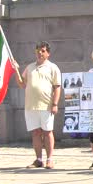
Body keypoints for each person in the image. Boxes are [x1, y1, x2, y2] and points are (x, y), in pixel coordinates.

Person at [13, 41, 61, 169]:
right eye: (38, 50)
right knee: (35, 133)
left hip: (46, 106)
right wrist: (15, 70)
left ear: (48, 53)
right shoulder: (30, 67)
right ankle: (39, 159)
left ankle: (49, 159)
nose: (40, 53)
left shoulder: (53, 67)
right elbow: (22, 84)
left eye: (43, 51)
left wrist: (55, 104)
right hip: (31, 106)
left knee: (47, 132)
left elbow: (57, 87)